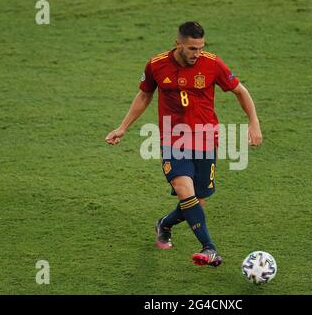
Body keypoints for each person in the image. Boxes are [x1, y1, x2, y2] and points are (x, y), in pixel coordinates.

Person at [105, 21, 262, 267]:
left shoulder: (212, 63)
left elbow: (240, 91)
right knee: (183, 190)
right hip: (173, 139)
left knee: (197, 201)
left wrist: (254, 122)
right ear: (178, 44)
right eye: (191, 48)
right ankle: (210, 248)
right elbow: (145, 94)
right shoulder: (157, 64)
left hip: (206, 140)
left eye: (200, 48)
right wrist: (123, 127)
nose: (196, 54)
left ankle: (165, 224)